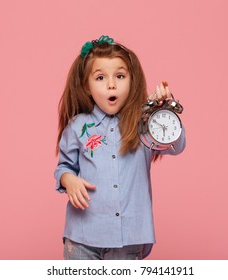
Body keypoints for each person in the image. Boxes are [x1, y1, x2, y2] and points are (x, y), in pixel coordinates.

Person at [54, 35, 186, 260]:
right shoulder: (78, 127)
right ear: (86, 86)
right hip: (83, 238)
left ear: (132, 81)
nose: (111, 84)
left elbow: (176, 145)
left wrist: (165, 113)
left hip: (129, 238)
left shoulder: (144, 124)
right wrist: (69, 180)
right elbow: (63, 168)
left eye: (120, 76)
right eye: (100, 77)